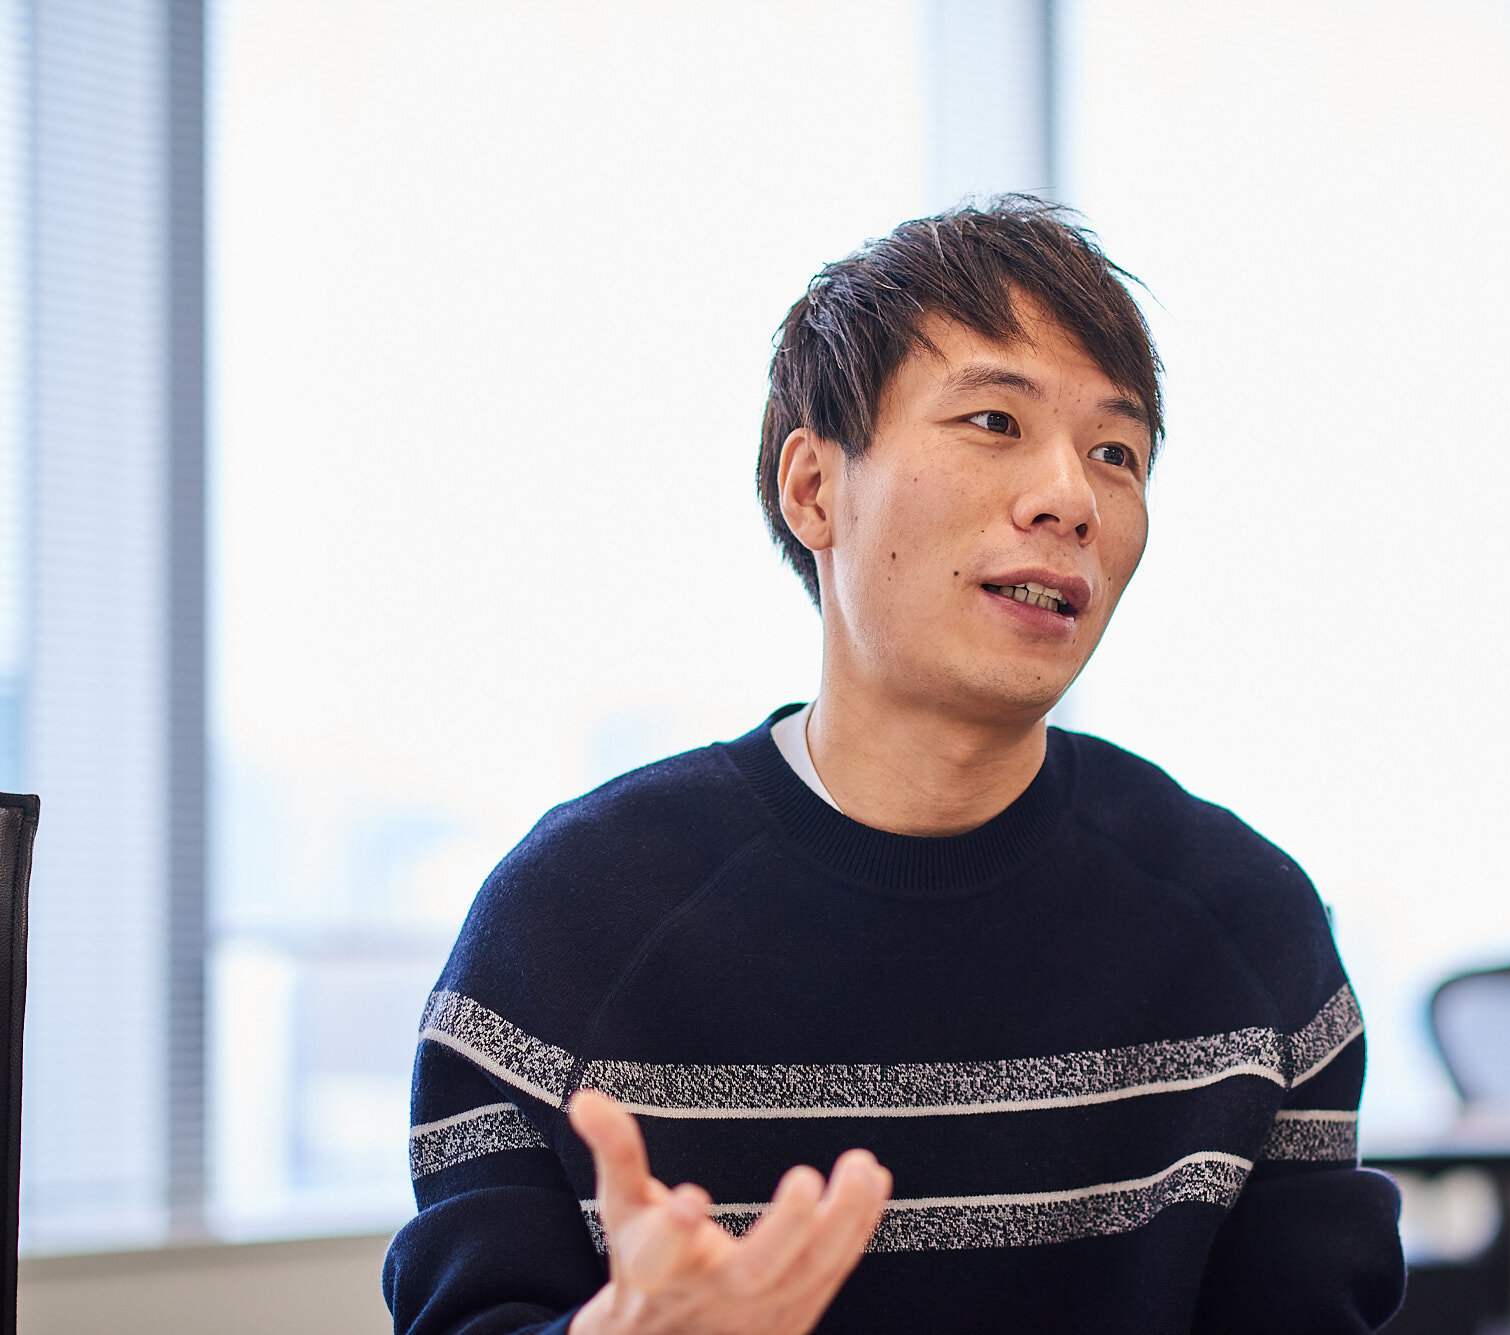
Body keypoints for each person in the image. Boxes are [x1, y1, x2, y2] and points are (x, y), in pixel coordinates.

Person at [383, 196, 1405, 1335]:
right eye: (993, 421)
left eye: (1114, 454)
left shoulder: (1250, 926)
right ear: (813, 489)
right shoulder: (568, 923)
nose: (1071, 498)